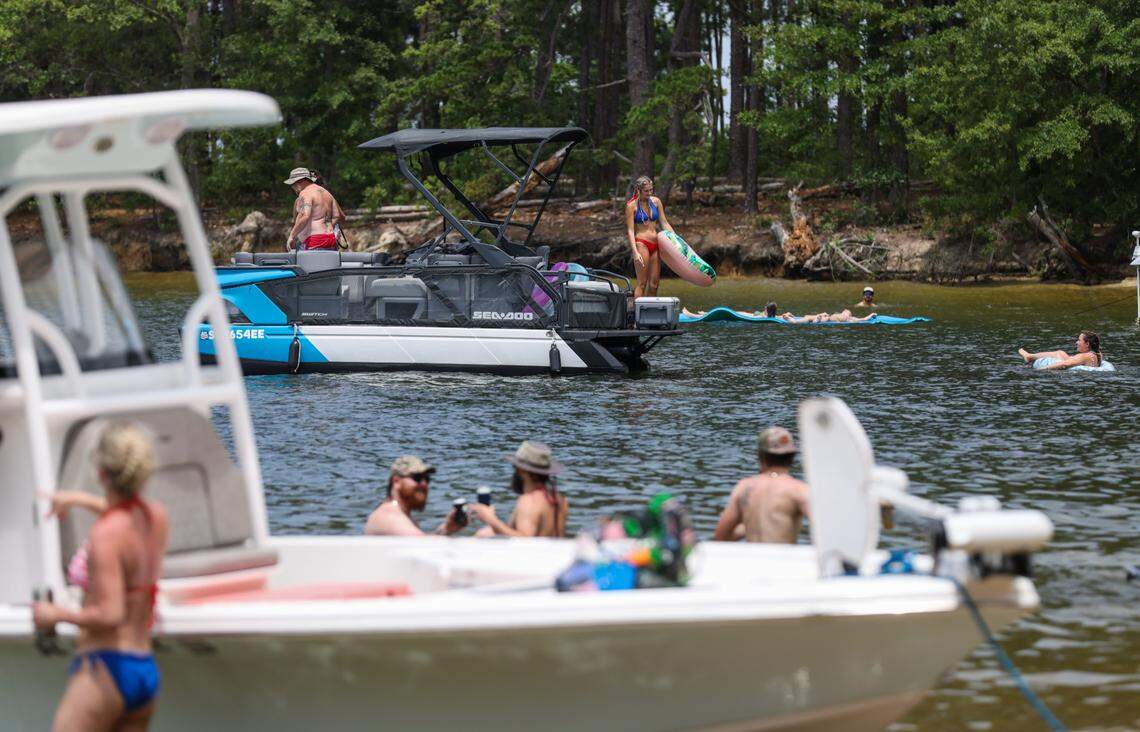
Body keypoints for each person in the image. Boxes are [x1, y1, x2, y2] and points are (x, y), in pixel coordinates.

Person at [34, 422, 171, 731]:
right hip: (143, 671)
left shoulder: (105, 534)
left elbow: (110, 614)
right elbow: (123, 517)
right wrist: (79, 500)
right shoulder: (155, 518)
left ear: (101, 473)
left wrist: (55, 614)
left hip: (105, 670)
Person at [713, 426, 811, 544]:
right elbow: (825, 529)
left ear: (760, 456)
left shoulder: (744, 487)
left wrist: (747, 527)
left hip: (752, 561)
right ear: (791, 457)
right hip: (782, 561)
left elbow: (721, 537)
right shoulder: (798, 490)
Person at [470, 441, 568, 538]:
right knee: (484, 533)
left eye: (514, 467)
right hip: (552, 552)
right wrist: (491, 524)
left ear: (521, 470)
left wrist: (491, 519)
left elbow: (524, 540)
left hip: (534, 553)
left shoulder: (528, 500)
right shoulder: (560, 499)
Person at [364, 456, 465, 537]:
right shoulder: (390, 516)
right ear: (396, 481)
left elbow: (420, 542)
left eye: (427, 479)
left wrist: (446, 529)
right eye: (417, 478)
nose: (424, 483)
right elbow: (422, 547)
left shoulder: (398, 513)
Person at [624, 176, 675, 299]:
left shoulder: (656, 202)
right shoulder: (631, 206)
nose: (649, 193)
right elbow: (630, 231)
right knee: (642, 283)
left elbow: (664, 223)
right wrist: (635, 252)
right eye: (646, 191)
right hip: (641, 244)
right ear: (639, 190)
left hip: (656, 244)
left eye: (651, 190)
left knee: (654, 284)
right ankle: (637, 315)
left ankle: (650, 313)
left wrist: (675, 239)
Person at [283, 166, 345, 251]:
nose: (292, 187)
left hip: (315, 241)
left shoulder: (305, 193)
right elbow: (337, 215)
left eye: (292, 184)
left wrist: (292, 236)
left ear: (299, 181)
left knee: (306, 264)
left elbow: (305, 216)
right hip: (330, 239)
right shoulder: (326, 192)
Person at [1019, 331, 1104, 370]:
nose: (1076, 342)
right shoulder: (1098, 353)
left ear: (1087, 344)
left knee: (1059, 354)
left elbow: (1065, 364)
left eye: (1079, 340)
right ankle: (1029, 356)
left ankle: (1029, 356)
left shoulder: (1083, 356)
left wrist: (1041, 369)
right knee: (1060, 353)